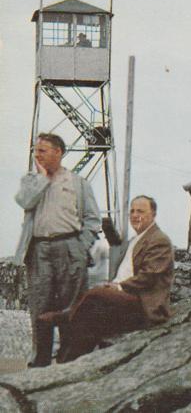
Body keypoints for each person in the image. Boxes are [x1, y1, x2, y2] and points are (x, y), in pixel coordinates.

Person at [39, 195, 174, 362]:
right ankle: (68, 362)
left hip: (144, 305)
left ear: (153, 214)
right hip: (128, 300)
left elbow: (149, 276)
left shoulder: (159, 240)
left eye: (140, 211)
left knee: (96, 294)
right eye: (132, 211)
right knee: (90, 318)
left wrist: (119, 287)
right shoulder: (136, 240)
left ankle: (65, 318)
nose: (134, 215)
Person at [13, 133, 101, 367]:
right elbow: (25, 201)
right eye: (36, 150)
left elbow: (93, 219)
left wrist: (81, 247)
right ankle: (40, 361)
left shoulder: (78, 183)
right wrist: (42, 179)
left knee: (71, 307)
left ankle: (68, 361)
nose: (37, 155)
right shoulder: (31, 180)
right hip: (39, 249)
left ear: (58, 152)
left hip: (70, 247)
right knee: (39, 306)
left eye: (42, 150)